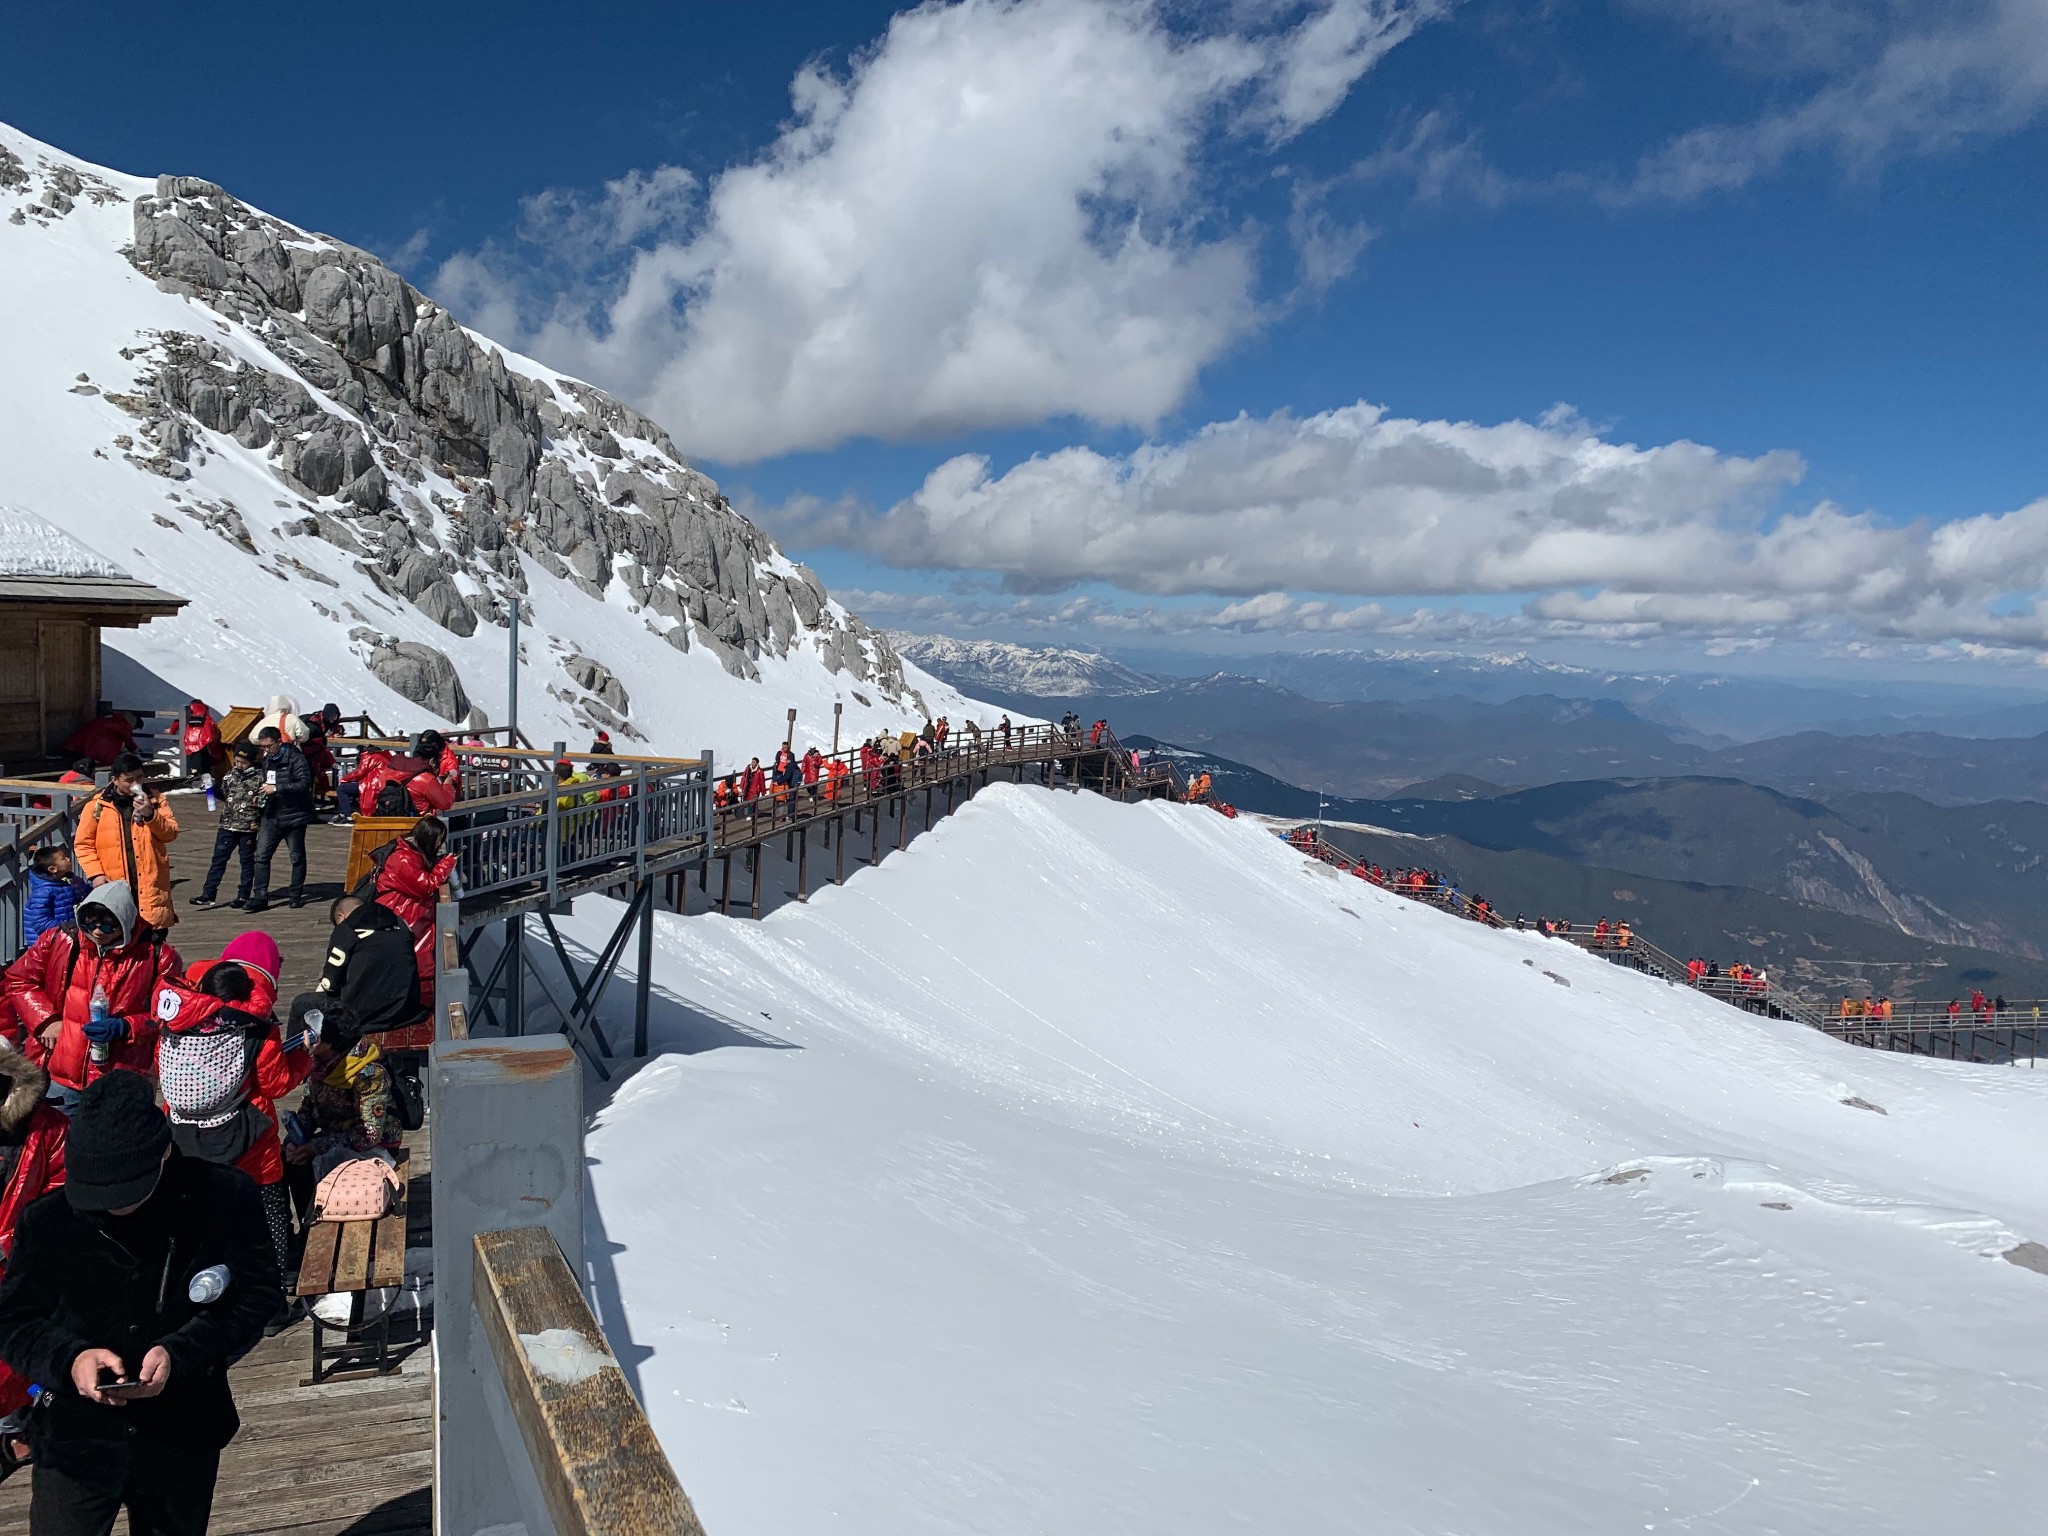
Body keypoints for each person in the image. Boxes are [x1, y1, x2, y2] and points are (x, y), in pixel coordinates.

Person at [0, 1071, 277, 1536]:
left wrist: (181, 1351)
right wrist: (72, 1360)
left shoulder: (225, 1196)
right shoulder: (47, 1221)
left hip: (182, 1433)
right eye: (96, 1195)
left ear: (164, 1152)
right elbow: (13, 1320)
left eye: (125, 1193)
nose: (111, 1207)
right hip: (75, 1441)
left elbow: (258, 1294)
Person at [153, 949, 312, 1332]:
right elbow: (275, 1084)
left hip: (186, 1139)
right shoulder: (257, 1028)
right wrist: (304, 1056)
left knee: (203, 1224)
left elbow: (164, 1075)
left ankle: (204, 1300)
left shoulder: (172, 1026)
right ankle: (271, 1308)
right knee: (270, 1220)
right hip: (251, 1146)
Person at [5, 882, 179, 1113]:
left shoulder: (159, 957)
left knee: (114, 1143)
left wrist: (128, 1026)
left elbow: (170, 1016)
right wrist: (46, 1020)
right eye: (88, 924)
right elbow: (19, 979)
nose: (97, 932)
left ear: (126, 922)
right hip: (63, 1070)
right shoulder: (60, 940)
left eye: (108, 927)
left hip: (121, 1074)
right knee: (59, 1141)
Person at [282, 996, 399, 1233]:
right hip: (333, 1133)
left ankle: (315, 1227)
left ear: (329, 1041)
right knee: (287, 1156)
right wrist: (297, 1137)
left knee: (306, 1162)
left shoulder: (367, 1072)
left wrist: (316, 1147)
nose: (305, 1041)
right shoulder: (318, 1065)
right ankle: (303, 1228)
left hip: (370, 1145)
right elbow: (309, 1109)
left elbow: (369, 1134)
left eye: (312, 1035)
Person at [0, 1039, 67, 1442]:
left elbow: (63, 1199)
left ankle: (24, 1423)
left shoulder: (50, 1131)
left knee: (25, 1366)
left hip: (28, 1268)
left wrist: (11, 1243)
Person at [74, 754, 180, 934]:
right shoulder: (97, 806)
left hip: (149, 883)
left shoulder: (156, 799)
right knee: (118, 935)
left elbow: (170, 833)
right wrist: (96, 874)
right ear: (115, 780)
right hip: (115, 883)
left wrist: (150, 815)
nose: (135, 784)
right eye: (129, 780)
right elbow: (83, 844)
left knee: (152, 940)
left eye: (139, 777)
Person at [316, 895, 426, 1039]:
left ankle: (303, 1059)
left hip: (364, 1018)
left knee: (301, 1005)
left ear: (341, 916)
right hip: (406, 1011)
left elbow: (330, 984)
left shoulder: (345, 929)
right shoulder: (399, 922)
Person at [374, 817, 456, 1011]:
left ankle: (416, 1001)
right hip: (402, 913)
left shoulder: (409, 852)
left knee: (415, 959)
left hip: (406, 911)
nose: (440, 845)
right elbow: (425, 885)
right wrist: (447, 864)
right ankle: (415, 1004)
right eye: (438, 840)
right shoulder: (403, 857)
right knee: (414, 959)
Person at [190, 742, 264, 912]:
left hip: (248, 826)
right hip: (227, 824)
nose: (239, 765)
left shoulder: (260, 777)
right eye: (237, 761)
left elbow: (264, 800)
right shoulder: (231, 775)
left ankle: (243, 894)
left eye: (243, 762)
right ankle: (208, 893)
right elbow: (224, 794)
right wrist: (211, 788)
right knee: (218, 860)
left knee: (246, 862)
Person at [246, 726, 313, 913]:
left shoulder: (296, 758)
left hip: (294, 815)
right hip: (272, 814)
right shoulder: (268, 759)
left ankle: (295, 895)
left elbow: (304, 783)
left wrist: (277, 788)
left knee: (297, 856)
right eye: (262, 748)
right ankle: (259, 896)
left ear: (279, 742)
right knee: (261, 856)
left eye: (269, 746)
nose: (266, 751)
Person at [23, 846, 92, 947]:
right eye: (63, 858)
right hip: (48, 945)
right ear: (52, 869)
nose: (68, 859)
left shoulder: (73, 880)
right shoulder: (43, 892)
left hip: (70, 938)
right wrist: (66, 927)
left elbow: (86, 893)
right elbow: (40, 922)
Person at [58, 707, 137, 768]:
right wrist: (134, 749)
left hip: (74, 746)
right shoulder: (119, 725)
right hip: (84, 750)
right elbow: (127, 739)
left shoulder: (107, 720)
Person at [178, 701, 222, 791]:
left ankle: (196, 778)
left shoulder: (189, 713)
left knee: (195, 762)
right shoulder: (206, 715)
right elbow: (214, 730)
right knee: (205, 762)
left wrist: (172, 730)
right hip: (204, 744)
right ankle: (206, 781)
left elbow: (178, 721)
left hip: (191, 743)